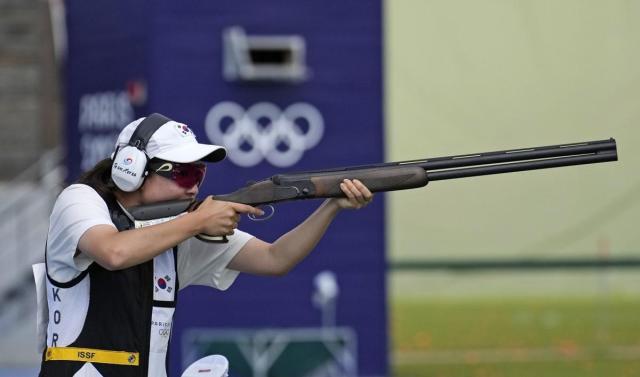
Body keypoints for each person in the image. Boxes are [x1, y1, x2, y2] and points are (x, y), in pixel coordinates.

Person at [37, 113, 373, 377]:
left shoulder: (175, 231)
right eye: (182, 174)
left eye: (198, 175)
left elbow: (276, 258)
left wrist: (331, 207)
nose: (193, 187)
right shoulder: (79, 200)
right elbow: (114, 252)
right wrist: (198, 221)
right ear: (133, 169)